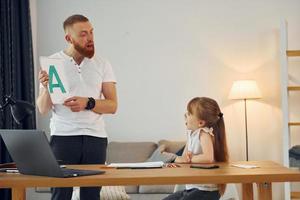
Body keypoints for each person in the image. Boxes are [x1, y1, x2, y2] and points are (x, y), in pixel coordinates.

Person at [36, 14, 117, 200]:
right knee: (60, 195)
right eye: (83, 34)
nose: (90, 38)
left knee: (91, 196)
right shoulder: (52, 64)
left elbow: (112, 105)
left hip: (95, 139)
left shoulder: (102, 64)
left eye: (91, 32)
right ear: (69, 38)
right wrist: (47, 88)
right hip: (63, 138)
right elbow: (42, 108)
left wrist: (88, 102)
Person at [163, 97, 228, 200]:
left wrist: (190, 159)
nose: (185, 115)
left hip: (205, 191)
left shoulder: (203, 133)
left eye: (189, 114)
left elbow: (208, 157)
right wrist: (176, 160)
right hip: (193, 188)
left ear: (201, 123)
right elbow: (184, 157)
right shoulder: (191, 134)